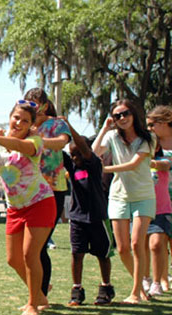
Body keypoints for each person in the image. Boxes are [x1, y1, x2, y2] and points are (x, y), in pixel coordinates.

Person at [0, 100, 56, 315]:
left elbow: (21, 147)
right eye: (16, 117)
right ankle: (39, 294)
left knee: (30, 255)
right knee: (13, 259)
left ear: (31, 125)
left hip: (40, 203)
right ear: (10, 116)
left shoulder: (35, 141)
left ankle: (33, 305)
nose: (18, 122)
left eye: (25, 121)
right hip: (15, 208)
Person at [92, 99, 156, 304]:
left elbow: (133, 165)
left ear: (134, 114)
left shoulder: (148, 138)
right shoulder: (112, 136)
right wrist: (104, 128)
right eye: (117, 116)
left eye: (125, 113)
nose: (122, 118)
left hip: (143, 195)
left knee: (137, 243)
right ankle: (141, 284)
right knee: (122, 248)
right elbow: (95, 153)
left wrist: (104, 169)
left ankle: (136, 293)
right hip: (119, 195)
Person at [59, 117, 115, 306]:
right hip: (77, 218)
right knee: (76, 253)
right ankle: (77, 289)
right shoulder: (72, 166)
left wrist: (69, 127)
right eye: (73, 155)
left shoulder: (94, 164)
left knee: (102, 255)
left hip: (97, 217)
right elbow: (58, 150)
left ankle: (106, 287)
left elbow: (82, 146)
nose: (75, 158)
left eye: (79, 155)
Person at [24, 88, 71, 298]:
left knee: (40, 246)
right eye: (29, 102)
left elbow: (62, 142)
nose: (33, 106)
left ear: (44, 104)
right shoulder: (26, 124)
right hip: (29, 191)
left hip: (53, 190)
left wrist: (38, 141)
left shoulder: (56, 123)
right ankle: (40, 288)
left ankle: (40, 294)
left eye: (36, 102)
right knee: (26, 248)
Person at [144, 113, 172, 296]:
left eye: (152, 124)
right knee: (150, 244)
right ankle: (156, 279)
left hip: (164, 204)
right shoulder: (149, 147)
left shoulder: (163, 156)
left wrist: (139, 162)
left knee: (162, 242)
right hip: (148, 203)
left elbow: (163, 164)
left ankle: (160, 280)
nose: (149, 128)